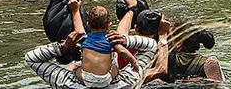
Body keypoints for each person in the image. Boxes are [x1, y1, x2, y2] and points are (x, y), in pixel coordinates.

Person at [25, 26, 158, 89]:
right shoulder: (126, 83)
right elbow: (152, 45)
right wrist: (124, 40)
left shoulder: (66, 83)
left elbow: (31, 58)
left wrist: (63, 47)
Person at [67, 0, 139, 86]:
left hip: (86, 80)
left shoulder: (84, 38)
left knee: (75, 67)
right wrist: (134, 62)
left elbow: (78, 29)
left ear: (88, 24)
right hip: (104, 80)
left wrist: (75, 10)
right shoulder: (110, 40)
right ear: (109, 25)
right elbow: (122, 51)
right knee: (115, 66)